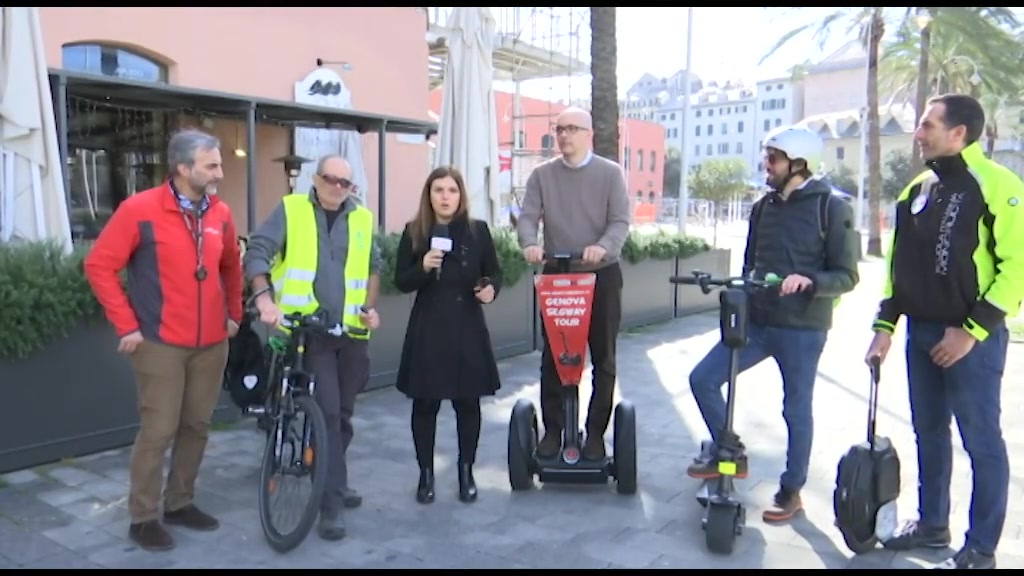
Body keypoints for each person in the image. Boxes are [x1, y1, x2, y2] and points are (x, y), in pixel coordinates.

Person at [865, 94, 1024, 570]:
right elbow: (899, 266)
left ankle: (981, 548)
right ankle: (933, 525)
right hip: (920, 333)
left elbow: (1017, 268)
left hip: (971, 339)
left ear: (960, 133)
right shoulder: (914, 189)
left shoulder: (998, 184)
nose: (919, 132)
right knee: (928, 432)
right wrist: (884, 327)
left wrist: (972, 330)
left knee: (981, 441)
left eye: (928, 125)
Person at [686, 125, 860, 524]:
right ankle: (729, 449)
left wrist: (811, 281)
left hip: (803, 329)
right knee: (703, 379)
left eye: (773, 158)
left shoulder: (831, 207)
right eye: (767, 157)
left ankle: (792, 490)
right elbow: (751, 264)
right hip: (758, 324)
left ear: (798, 164)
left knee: (796, 409)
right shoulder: (763, 206)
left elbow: (847, 276)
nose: (767, 165)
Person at [83, 129, 243, 552]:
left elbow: (231, 266)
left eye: (219, 164)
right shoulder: (139, 210)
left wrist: (234, 315)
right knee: (158, 430)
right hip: (159, 343)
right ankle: (142, 516)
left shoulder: (221, 213)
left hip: (211, 343)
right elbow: (99, 265)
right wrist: (126, 325)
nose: (219, 173)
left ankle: (180, 503)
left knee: (197, 426)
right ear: (183, 167)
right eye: (211, 165)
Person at [243, 154, 382, 542]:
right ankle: (330, 504)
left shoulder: (362, 218)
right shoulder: (291, 210)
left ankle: (329, 474)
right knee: (329, 411)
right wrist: (265, 299)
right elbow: (257, 251)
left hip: (352, 333)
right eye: (330, 179)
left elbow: (374, 265)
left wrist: (370, 307)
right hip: (309, 332)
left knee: (344, 415)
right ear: (316, 178)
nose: (338, 187)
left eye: (345, 183)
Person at [516, 106, 632, 462]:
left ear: (588, 135)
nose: (563, 135)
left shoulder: (610, 174)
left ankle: (595, 434)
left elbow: (620, 221)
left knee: (603, 358)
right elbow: (527, 218)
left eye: (571, 129)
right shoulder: (542, 175)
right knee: (554, 356)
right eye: (559, 128)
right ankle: (553, 431)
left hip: (601, 274)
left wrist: (602, 247)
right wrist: (529, 244)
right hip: (558, 274)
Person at [393, 166, 503, 505]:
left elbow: (494, 273)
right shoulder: (415, 231)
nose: (445, 197)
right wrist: (423, 267)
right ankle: (425, 475)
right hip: (429, 327)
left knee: (468, 402)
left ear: (460, 195)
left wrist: (490, 289)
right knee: (425, 404)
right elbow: (401, 281)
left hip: (467, 327)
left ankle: (465, 471)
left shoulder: (478, 231)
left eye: (451, 190)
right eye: (438, 190)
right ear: (429, 195)